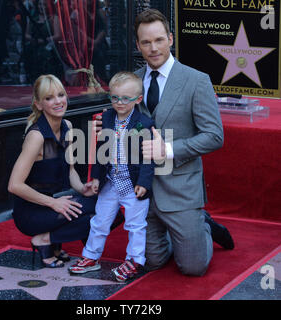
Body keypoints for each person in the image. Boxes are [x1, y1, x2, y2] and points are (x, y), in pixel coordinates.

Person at [94, 9, 234, 277]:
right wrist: (107, 127)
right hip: (140, 190)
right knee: (153, 262)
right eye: (146, 42)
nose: (153, 48)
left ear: (170, 39)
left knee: (193, 268)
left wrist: (168, 149)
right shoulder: (130, 81)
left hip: (180, 187)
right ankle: (175, 237)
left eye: (159, 40)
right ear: (137, 45)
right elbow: (120, 120)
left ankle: (203, 225)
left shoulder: (196, 80)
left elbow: (215, 136)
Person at [69, 72, 155, 282]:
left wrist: (144, 183)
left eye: (126, 98)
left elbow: (148, 157)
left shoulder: (143, 123)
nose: (120, 102)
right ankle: (91, 256)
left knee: (135, 224)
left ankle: (135, 260)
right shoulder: (107, 117)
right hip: (111, 181)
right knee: (100, 221)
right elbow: (101, 150)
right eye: (115, 97)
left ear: (138, 99)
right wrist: (97, 178)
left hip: (132, 183)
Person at [8, 74, 97, 268]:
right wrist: (53, 203)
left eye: (61, 95)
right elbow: (14, 185)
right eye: (49, 98)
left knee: (107, 204)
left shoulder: (68, 127)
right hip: (32, 211)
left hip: (55, 202)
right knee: (96, 213)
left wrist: (82, 189)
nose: (58, 101)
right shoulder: (37, 136)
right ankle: (44, 240)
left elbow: (71, 170)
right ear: (39, 104)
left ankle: (49, 238)